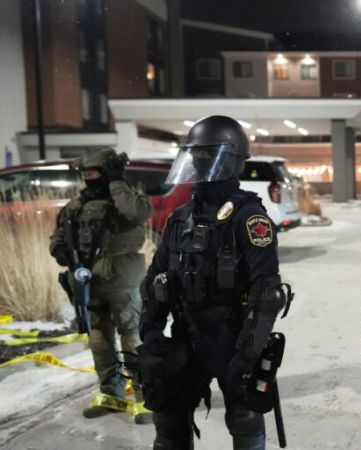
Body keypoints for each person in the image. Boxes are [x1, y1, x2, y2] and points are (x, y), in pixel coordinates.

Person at [140, 115, 289, 449]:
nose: (200, 164)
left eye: (209, 157)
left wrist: (246, 355)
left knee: (244, 417)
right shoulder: (179, 218)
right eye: (196, 157)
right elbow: (155, 281)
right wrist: (150, 329)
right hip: (186, 334)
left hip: (232, 335)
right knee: (168, 418)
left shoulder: (248, 217)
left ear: (231, 160)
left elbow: (268, 294)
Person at [49, 147, 153, 423]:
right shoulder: (76, 206)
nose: (89, 178)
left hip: (121, 279)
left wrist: (117, 183)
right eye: (85, 174)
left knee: (132, 337)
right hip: (88, 282)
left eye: (94, 173)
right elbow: (58, 233)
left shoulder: (127, 198)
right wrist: (58, 249)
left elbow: (137, 213)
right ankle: (112, 395)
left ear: (107, 173)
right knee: (98, 339)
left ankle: (147, 400)